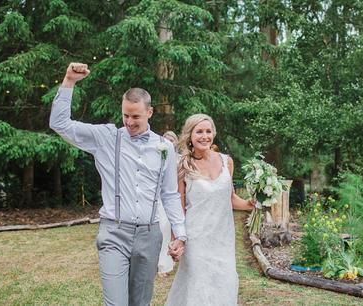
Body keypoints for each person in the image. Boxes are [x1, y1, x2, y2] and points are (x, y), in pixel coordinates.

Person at [49, 63, 187, 306]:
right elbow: (60, 124)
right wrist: (69, 81)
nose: (129, 122)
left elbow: (170, 194)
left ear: (150, 112)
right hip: (113, 232)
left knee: (139, 302)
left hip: (149, 234)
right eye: (125, 115)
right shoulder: (106, 137)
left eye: (136, 116)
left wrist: (180, 234)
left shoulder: (164, 148)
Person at [165, 114, 255, 306]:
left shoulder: (226, 162)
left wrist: (250, 204)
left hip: (223, 239)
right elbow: (178, 209)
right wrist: (177, 241)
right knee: (199, 288)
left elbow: (230, 199)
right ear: (190, 136)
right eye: (199, 131)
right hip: (196, 238)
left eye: (208, 131)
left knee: (224, 284)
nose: (204, 136)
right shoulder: (183, 165)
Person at [157, 131, 180, 276]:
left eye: (172, 139)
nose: (169, 141)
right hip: (155, 197)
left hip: (171, 198)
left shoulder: (179, 159)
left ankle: (163, 264)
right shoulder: (156, 157)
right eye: (166, 139)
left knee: (165, 227)